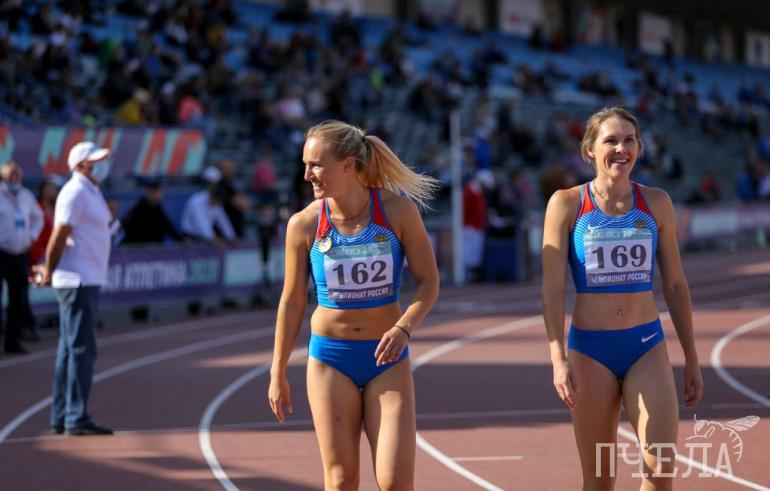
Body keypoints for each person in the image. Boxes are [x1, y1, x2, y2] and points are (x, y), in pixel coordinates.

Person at [269, 120, 440, 489]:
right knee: (341, 480)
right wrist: (277, 370)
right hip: (331, 359)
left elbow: (429, 282)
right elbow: (292, 301)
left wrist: (404, 327)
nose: (307, 175)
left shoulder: (397, 211)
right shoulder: (304, 224)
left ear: (348, 165)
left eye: (316, 165)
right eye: (305, 165)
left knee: (395, 481)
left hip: (386, 358)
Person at [541, 107, 703, 488]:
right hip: (590, 353)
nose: (621, 148)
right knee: (599, 480)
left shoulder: (656, 203)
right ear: (590, 150)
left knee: (660, 473)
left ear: (640, 148)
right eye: (610, 140)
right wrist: (557, 357)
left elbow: (675, 285)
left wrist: (692, 357)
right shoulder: (567, 204)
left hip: (645, 346)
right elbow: (552, 288)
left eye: (629, 140)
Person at [34, 141, 115, 436]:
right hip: (78, 280)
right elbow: (59, 235)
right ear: (80, 165)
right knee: (80, 350)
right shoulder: (76, 191)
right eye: (95, 161)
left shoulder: (90, 191)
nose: (101, 166)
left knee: (70, 350)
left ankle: (63, 415)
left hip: (86, 278)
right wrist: (49, 268)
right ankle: (75, 417)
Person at [0, 161, 44, 354]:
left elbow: (38, 218)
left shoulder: (26, 195)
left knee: (17, 299)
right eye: (10, 174)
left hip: (20, 254)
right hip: (1, 252)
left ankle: (13, 341)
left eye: (16, 173)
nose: (14, 177)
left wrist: (32, 237)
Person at [121, 179, 181, 244]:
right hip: (140, 247)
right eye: (153, 192)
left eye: (158, 192)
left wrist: (181, 240)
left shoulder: (158, 209)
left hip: (156, 248)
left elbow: (168, 227)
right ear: (148, 192)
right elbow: (126, 227)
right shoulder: (138, 209)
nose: (156, 195)